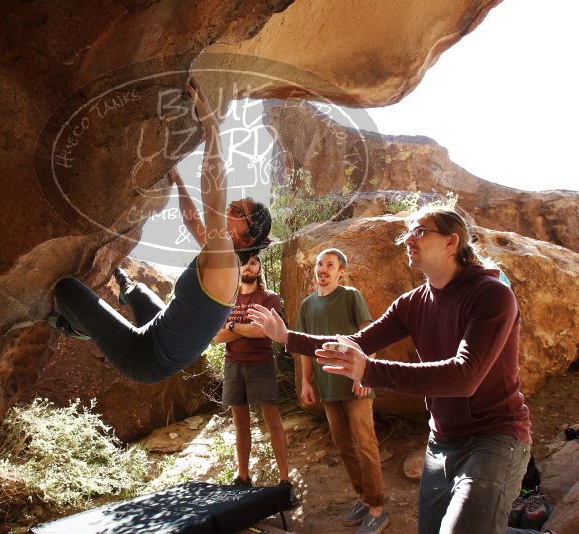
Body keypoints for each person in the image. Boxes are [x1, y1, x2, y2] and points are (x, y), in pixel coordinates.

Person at [248, 206, 532, 534]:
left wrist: (370, 371)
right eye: (409, 230)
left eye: (421, 231)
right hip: (442, 441)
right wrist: (287, 337)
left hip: (495, 437)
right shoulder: (411, 303)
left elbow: (464, 376)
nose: (408, 238)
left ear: (452, 242)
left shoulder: (492, 294)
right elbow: (356, 342)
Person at [48, 77, 272, 384]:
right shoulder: (219, 256)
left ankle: (77, 329)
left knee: (66, 290)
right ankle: (122, 282)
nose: (227, 210)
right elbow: (194, 220)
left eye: (237, 212)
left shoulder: (225, 261)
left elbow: (212, 193)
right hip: (159, 333)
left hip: (145, 357)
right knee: (137, 291)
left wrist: (212, 130)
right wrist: (179, 181)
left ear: (247, 237)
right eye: (233, 205)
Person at [296, 248, 387, 533]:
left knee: (366, 444)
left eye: (330, 265)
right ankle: (364, 497)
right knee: (343, 445)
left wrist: (364, 374)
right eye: (320, 264)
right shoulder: (307, 305)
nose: (323, 269)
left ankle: (377, 509)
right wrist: (306, 381)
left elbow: (366, 334)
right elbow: (305, 350)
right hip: (328, 387)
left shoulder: (350, 296)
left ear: (340, 271)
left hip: (355, 383)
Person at [211, 254, 295, 503]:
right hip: (233, 365)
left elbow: (263, 331)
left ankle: (284, 480)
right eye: (244, 261)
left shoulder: (268, 298)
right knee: (240, 423)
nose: (249, 265)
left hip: (261, 365)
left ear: (258, 268)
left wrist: (234, 327)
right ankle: (243, 477)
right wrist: (244, 327)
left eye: (254, 261)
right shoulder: (227, 298)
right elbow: (217, 336)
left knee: (273, 421)